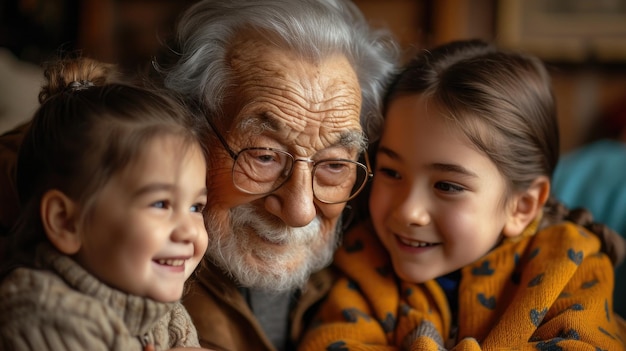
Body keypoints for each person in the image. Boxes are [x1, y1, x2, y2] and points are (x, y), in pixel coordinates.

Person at [298, 39, 626, 350]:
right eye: (391, 172)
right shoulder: (363, 257)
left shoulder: (571, 262)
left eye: (447, 186)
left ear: (522, 206)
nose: (409, 212)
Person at [154, 0, 399, 349]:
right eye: (264, 156)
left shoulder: (383, 274)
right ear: (187, 131)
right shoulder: (131, 292)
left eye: (334, 165)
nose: (299, 211)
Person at [0, 56, 211, 350]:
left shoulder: (162, 310)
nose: (189, 231)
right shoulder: (45, 313)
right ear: (66, 222)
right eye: (161, 204)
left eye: (195, 207)